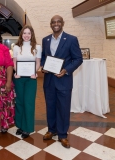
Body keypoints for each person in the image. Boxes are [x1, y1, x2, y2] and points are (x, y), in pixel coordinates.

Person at [41, 15, 83, 148]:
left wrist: (66, 70)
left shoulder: (71, 39)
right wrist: (43, 67)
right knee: (50, 106)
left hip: (63, 80)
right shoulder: (45, 40)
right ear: (50, 24)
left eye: (58, 21)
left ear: (63, 23)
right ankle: (51, 130)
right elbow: (43, 58)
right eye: (53, 22)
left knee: (63, 108)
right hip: (49, 80)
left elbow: (78, 59)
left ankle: (63, 135)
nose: (56, 24)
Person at [13, 25, 41, 139]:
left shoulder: (37, 47)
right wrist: (16, 71)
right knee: (19, 102)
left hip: (31, 79)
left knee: (28, 102)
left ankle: (27, 128)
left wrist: (34, 72)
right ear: (21, 34)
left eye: (29, 33)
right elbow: (14, 61)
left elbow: (38, 62)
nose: (26, 35)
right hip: (19, 78)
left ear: (32, 34)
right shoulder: (16, 47)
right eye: (24, 33)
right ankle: (20, 125)